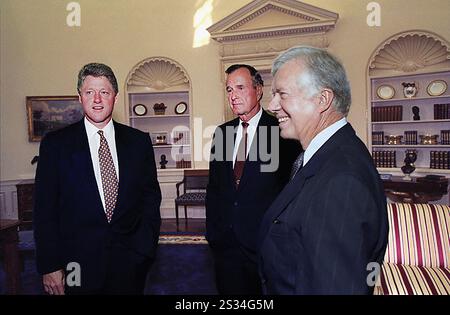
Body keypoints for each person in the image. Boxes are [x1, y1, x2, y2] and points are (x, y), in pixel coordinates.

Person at [259, 46, 389, 294]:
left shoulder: (341, 180)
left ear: (322, 100)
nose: (272, 105)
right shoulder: (330, 154)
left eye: (281, 94)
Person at [33, 63, 162, 295]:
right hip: (76, 265)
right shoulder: (56, 145)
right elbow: (45, 210)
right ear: (79, 97)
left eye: (104, 92)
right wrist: (50, 265)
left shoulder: (138, 142)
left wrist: (145, 249)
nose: (97, 99)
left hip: (130, 262)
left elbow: (150, 198)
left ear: (115, 97)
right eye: (89, 92)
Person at [206, 64, 300, 294]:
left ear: (258, 90)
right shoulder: (222, 133)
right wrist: (213, 232)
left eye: (240, 87)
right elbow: (215, 188)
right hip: (225, 244)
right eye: (229, 90)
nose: (233, 95)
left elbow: (293, 192)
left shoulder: (282, 131)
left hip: (265, 245)